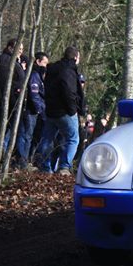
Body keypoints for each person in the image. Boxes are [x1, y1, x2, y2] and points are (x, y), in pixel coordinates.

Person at [36, 46, 83, 175]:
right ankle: (64, 167)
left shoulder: (52, 69)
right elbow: (69, 92)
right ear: (75, 57)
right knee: (73, 139)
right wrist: (73, 110)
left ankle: (45, 167)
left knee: (47, 139)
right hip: (65, 111)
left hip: (51, 110)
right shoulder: (68, 70)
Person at [0, 38, 26, 148]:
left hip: (11, 103)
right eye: (18, 48)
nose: (20, 51)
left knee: (5, 135)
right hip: (7, 104)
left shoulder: (13, 61)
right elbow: (5, 83)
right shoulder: (6, 60)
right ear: (10, 48)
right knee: (2, 136)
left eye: (22, 49)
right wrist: (17, 91)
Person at [17, 51, 48, 169]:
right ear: (38, 62)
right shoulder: (34, 75)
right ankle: (22, 162)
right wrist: (39, 109)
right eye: (44, 63)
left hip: (32, 110)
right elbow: (34, 94)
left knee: (26, 135)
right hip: (30, 110)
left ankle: (23, 160)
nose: (45, 66)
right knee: (26, 136)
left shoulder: (37, 75)